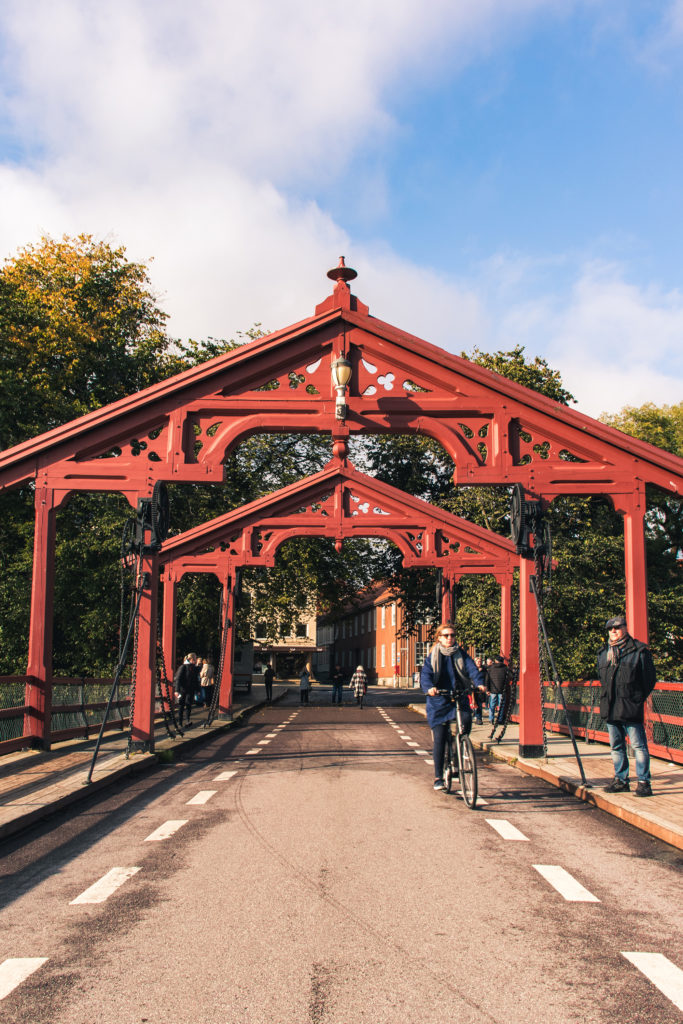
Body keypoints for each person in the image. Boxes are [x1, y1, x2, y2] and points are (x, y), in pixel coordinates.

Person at [420, 622, 486, 791]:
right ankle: (438, 777)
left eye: (452, 635)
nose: (450, 638)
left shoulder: (461, 654)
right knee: (440, 738)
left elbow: (472, 669)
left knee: (465, 724)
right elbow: (426, 674)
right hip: (439, 701)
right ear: (439, 638)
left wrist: (479, 683)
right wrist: (429, 688)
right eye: (446, 635)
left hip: (458, 697)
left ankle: (458, 756)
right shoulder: (433, 656)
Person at [597, 615, 656, 797]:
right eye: (610, 629)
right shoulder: (603, 653)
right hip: (611, 706)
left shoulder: (639, 651)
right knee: (616, 746)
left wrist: (636, 698)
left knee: (638, 746)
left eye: (617, 627)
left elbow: (649, 679)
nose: (613, 631)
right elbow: (603, 680)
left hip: (630, 706)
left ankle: (644, 782)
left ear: (625, 628)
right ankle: (621, 780)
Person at [174, 652, 201, 727]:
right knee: (181, 705)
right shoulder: (183, 667)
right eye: (195, 659)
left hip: (190, 689)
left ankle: (187, 720)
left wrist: (198, 690)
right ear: (192, 659)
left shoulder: (194, 668)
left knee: (189, 704)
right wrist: (176, 690)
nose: (196, 660)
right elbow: (178, 679)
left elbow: (195, 680)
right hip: (183, 689)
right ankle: (180, 721)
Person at [486, 655, 509, 725]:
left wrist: (488, 689)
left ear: (495, 661)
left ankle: (491, 719)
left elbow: (487, 680)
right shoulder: (505, 668)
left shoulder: (490, 668)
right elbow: (510, 676)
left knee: (492, 705)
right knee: (501, 705)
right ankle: (500, 719)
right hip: (502, 689)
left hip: (493, 689)